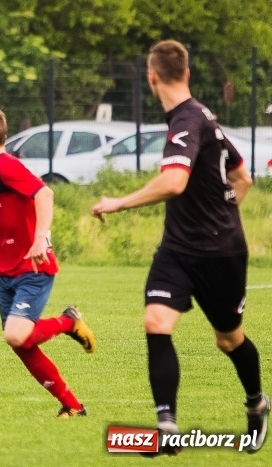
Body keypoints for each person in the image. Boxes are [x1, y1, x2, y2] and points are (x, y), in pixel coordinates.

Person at [91, 39, 269, 455]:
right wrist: (221, 215)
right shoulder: (205, 117)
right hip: (177, 250)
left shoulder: (189, 120)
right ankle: (166, 426)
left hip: (220, 255)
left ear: (151, 77)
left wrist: (118, 202)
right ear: (185, 73)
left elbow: (174, 182)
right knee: (156, 322)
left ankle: (257, 402)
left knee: (228, 339)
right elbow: (242, 178)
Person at [0, 107, 95, 418]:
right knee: (21, 344)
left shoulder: (8, 166)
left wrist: (40, 238)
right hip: (6, 274)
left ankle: (69, 321)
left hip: (32, 269)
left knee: (16, 335)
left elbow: (45, 194)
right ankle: (72, 406)